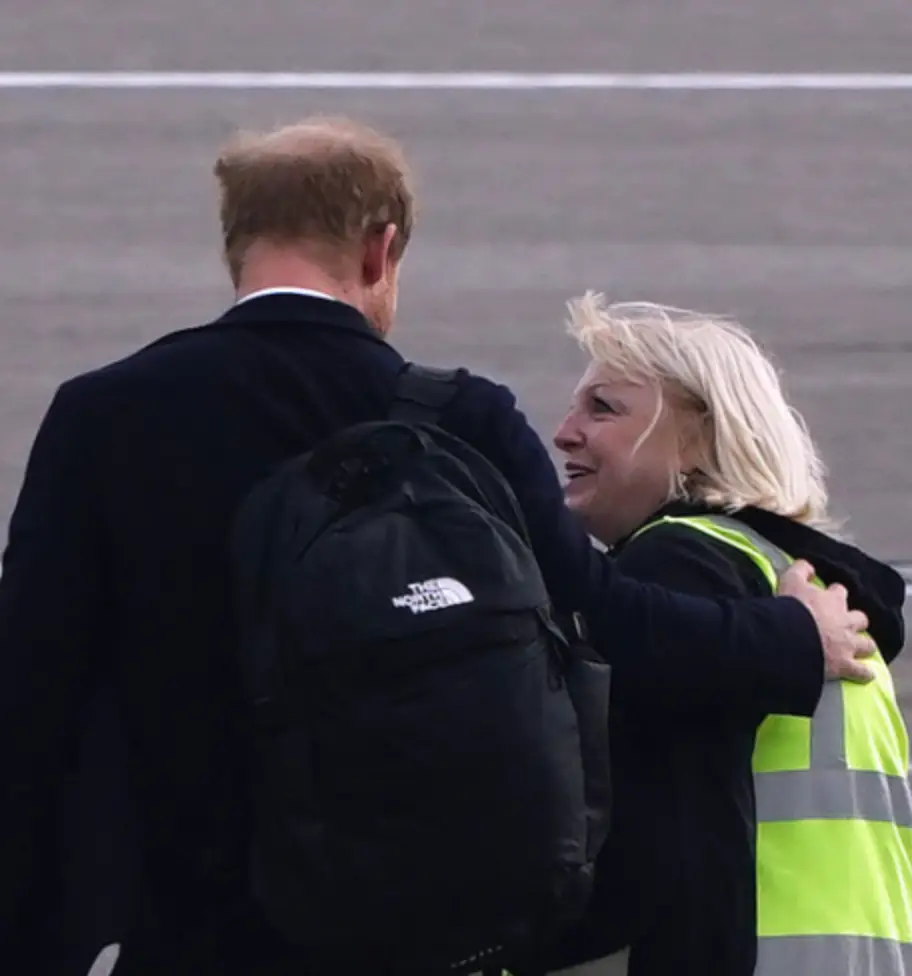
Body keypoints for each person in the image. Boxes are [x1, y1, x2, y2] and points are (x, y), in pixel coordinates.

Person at [0, 118, 875, 976]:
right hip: (394, 925)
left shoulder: (104, 414)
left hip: (188, 924)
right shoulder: (456, 416)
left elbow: (32, 684)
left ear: (237, 246)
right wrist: (793, 638)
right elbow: (602, 623)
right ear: (381, 250)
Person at [548, 296, 912, 975]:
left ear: (700, 436)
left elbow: (647, 824)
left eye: (603, 408)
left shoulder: (679, 564)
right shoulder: (810, 590)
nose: (564, 433)